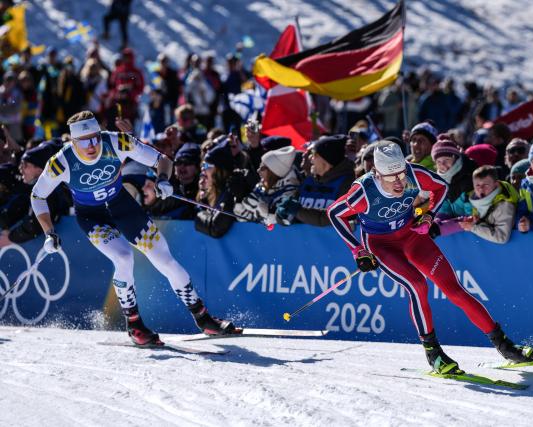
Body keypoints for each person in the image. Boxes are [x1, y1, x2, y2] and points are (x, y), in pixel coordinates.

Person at [327, 142, 533, 374]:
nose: (399, 182)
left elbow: (440, 188)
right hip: (382, 245)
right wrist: (358, 250)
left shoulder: (413, 174)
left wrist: (429, 215)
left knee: (454, 290)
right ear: (377, 173)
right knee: (417, 285)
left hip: (412, 236)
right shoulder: (364, 191)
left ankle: (504, 345)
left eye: (401, 174)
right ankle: (434, 354)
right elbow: (334, 214)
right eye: (391, 177)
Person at [29, 110, 235, 346]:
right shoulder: (61, 162)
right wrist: (49, 232)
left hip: (123, 206)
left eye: (95, 138)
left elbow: (162, 160)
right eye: (84, 141)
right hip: (93, 217)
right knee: (124, 257)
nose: (92, 146)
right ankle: (135, 325)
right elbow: (37, 196)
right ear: (73, 141)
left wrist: (163, 179)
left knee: (165, 260)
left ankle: (203, 318)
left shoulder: (117, 141)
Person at [277, 135, 354, 226]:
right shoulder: (308, 180)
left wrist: (297, 211)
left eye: (314, 155)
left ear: (327, 161)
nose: (310, 158)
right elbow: (291, 216)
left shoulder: (348, 184)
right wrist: (282, 214)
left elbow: (331, 219)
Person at [233, 146, 299, 226]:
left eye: (263, 168)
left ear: (274, 172)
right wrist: (239, 199)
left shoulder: (290, 192)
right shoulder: (262, 186)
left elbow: (281, 224)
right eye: (259, 166)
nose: (258, 170)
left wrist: (265, 211)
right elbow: (243, 218)